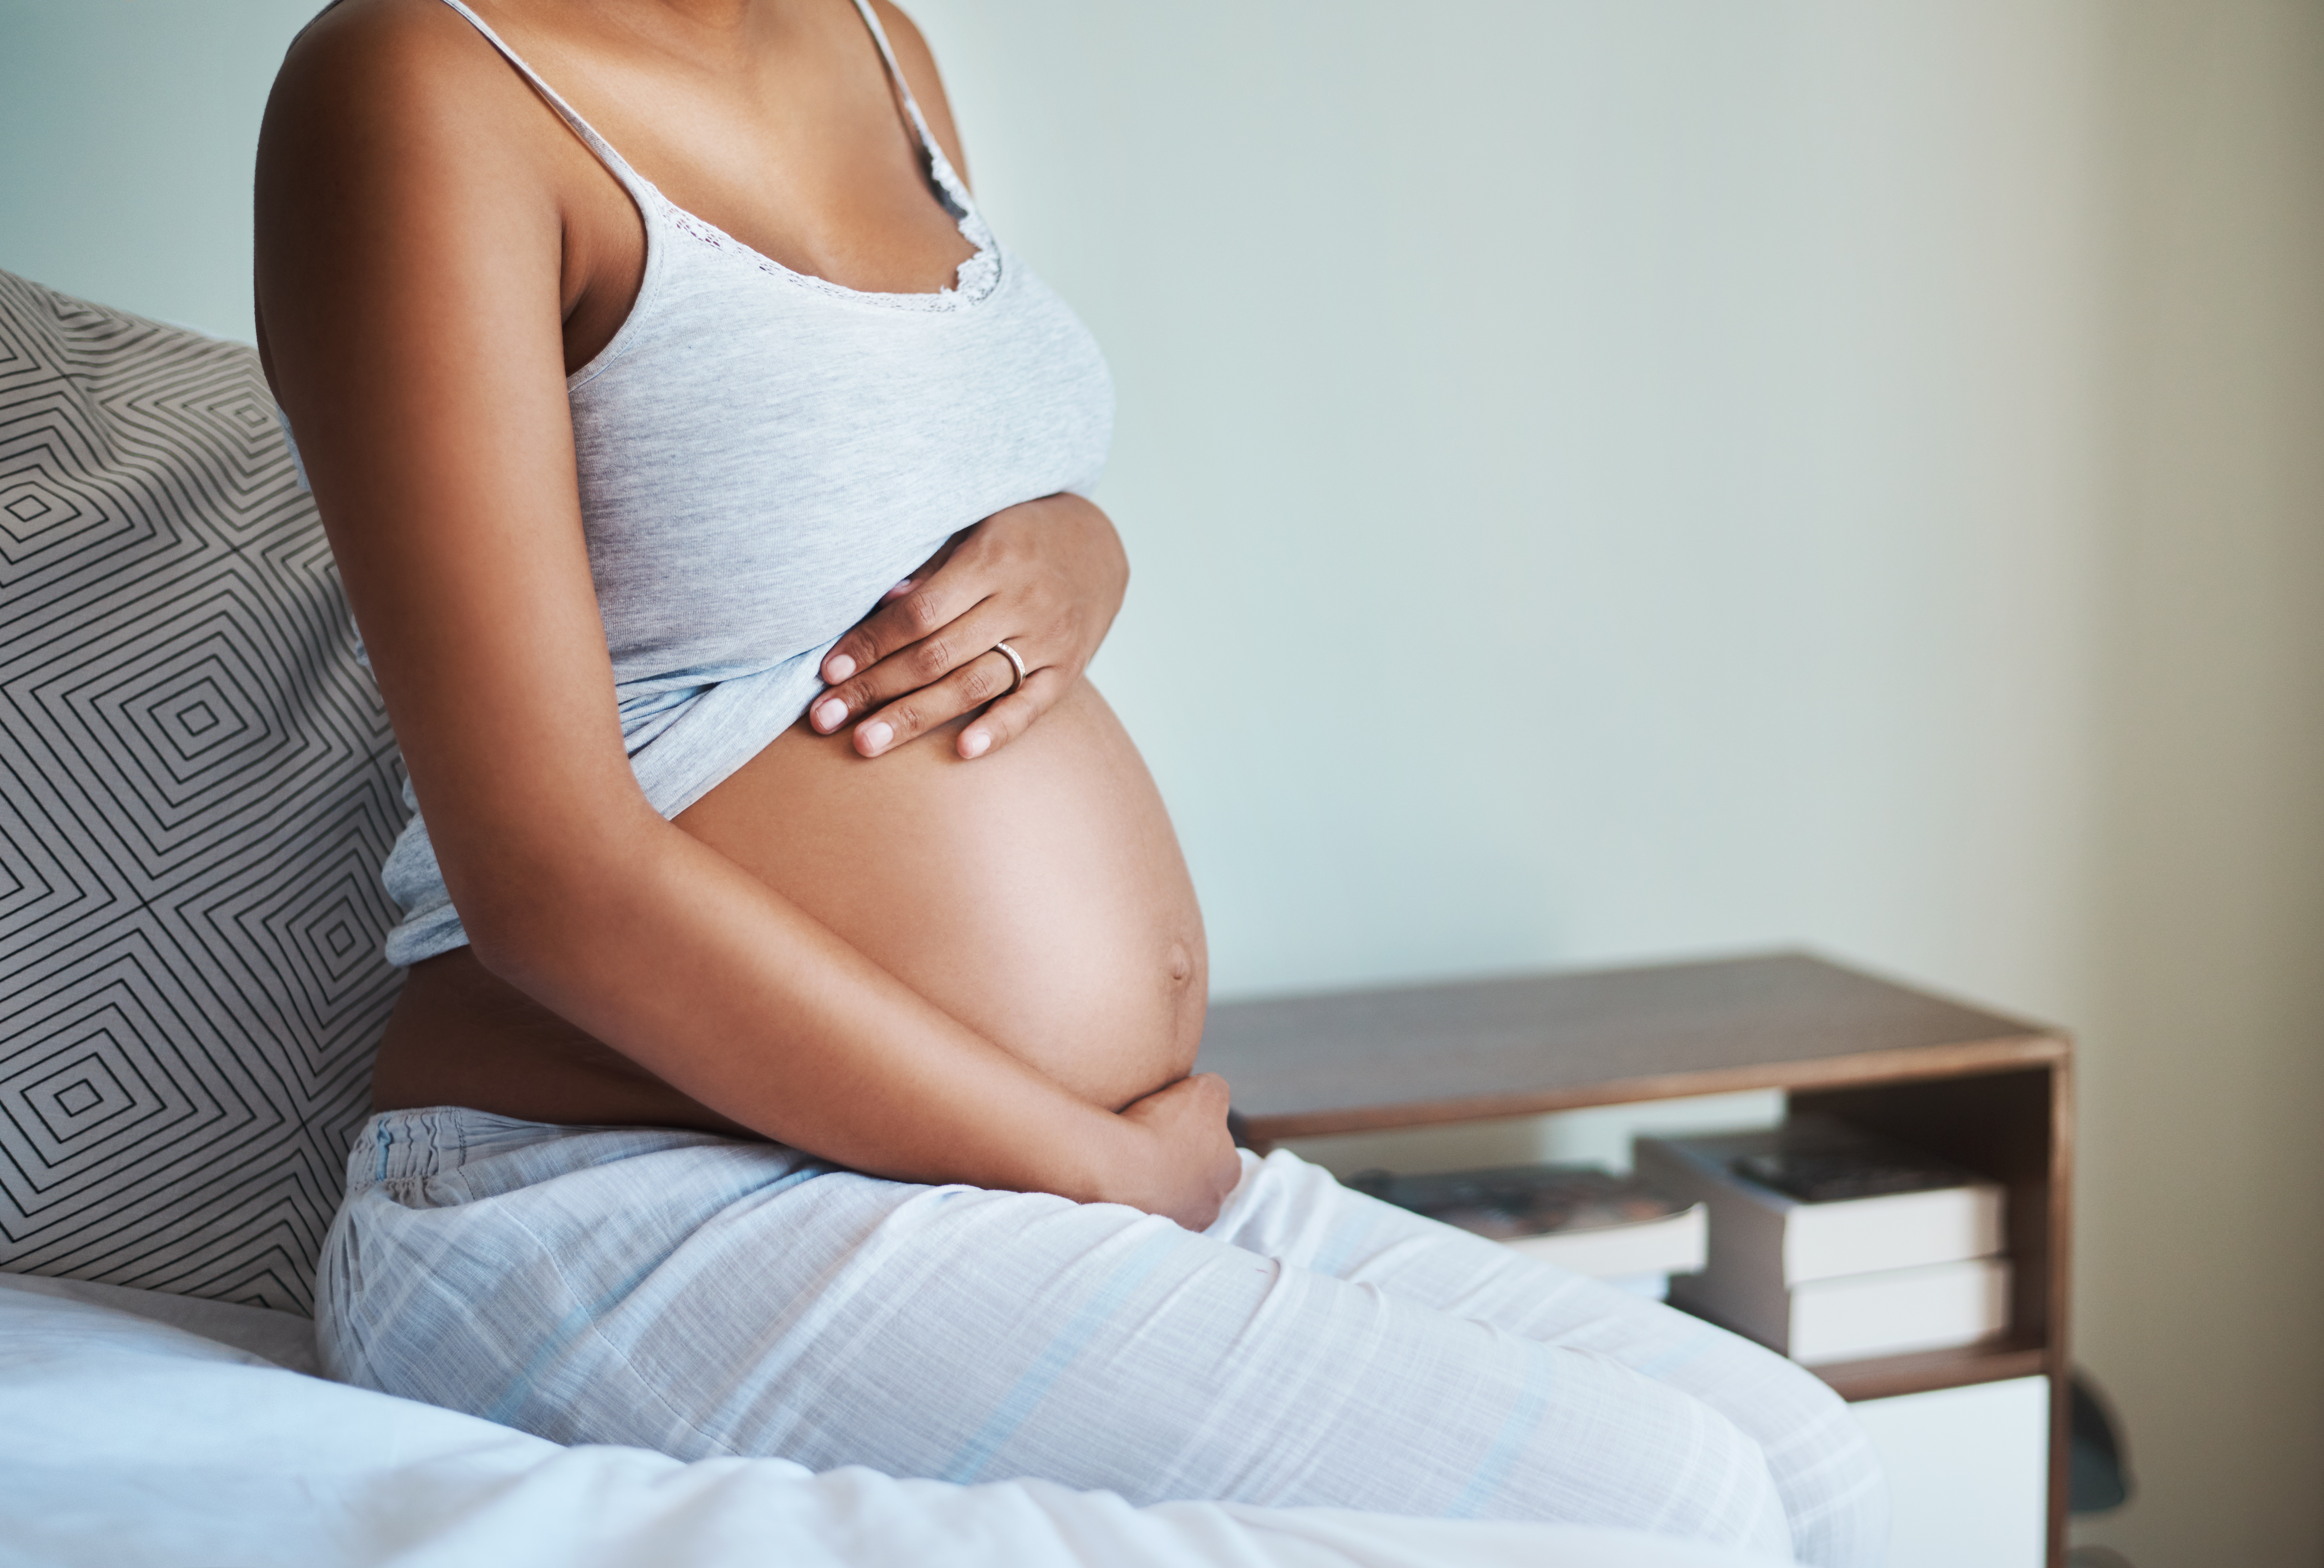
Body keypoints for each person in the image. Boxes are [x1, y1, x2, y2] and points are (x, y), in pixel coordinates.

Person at [254, 2, 1886, 1562]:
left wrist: (1084, 551)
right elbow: (546, 873)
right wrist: (1087, 1167)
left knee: (1808, 1459)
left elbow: (895, 495)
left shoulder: (882, 49)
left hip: (1009, 1165)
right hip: (629, 1199)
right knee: (1672, 1509)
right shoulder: (419, 83)